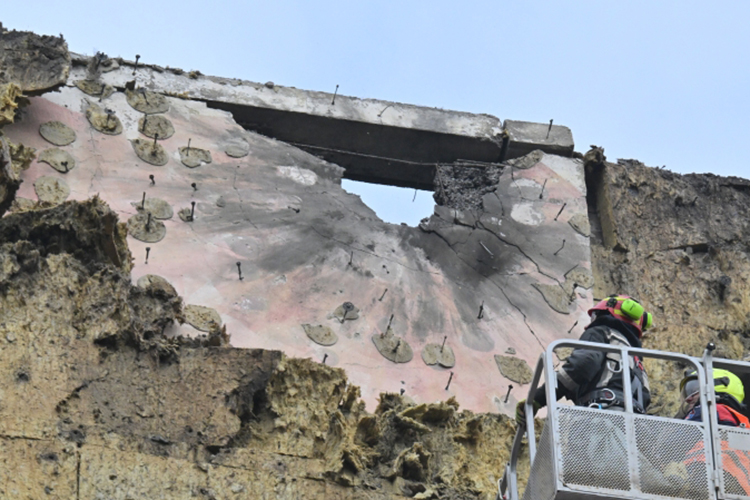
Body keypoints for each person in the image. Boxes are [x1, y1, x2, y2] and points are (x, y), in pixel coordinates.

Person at [515, 294, 653, 426]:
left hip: (601, 420)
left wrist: (538, 398)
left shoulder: (601, 332)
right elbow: (645, 399)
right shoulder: (636, 362)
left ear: (605, 314)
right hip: (635, 429)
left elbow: (582, 365)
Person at [677, 369, 750, 496]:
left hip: (704, 476)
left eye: (694, 389)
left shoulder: (709, 409)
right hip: (738, 485)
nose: (688, 398)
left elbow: (676, 440)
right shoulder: (739, 421)